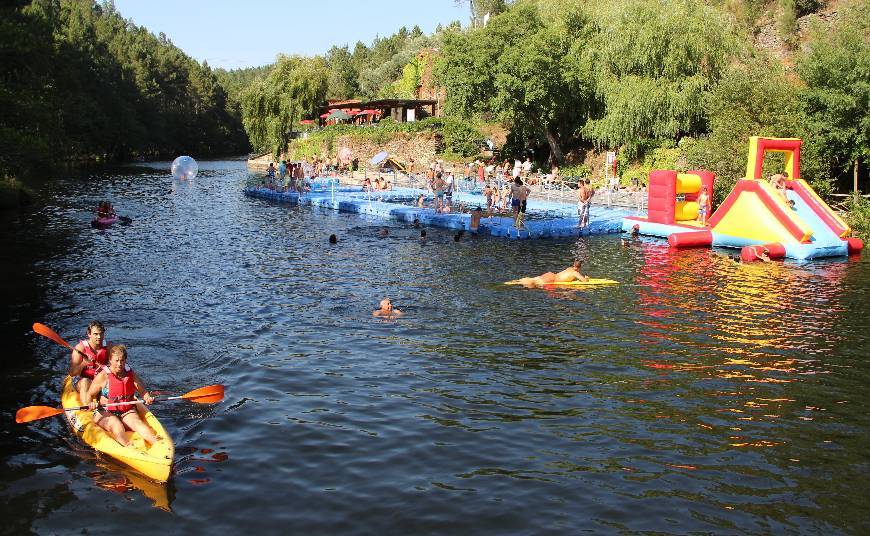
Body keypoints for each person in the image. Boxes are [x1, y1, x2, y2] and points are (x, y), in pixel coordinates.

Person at [86, 344, 160, 447]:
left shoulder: (130, 373)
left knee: (139, 424)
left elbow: (143, 391)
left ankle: (157, 443)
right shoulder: (103, 376)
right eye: (116, 360)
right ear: (110, 360)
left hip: (126, 410)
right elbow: (89, 394)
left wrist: (147, 397)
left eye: (122, 360)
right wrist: (91, 403)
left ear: (125, 360)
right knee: (117, 426)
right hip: (106, 411)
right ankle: (128, 447)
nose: (119, 364)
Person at [70, 321, 109, 404]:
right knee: (85, 381)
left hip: (99, 379)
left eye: (101, 334)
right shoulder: (80, 348)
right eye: (95, 334)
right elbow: (72, 373)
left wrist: (106, 369)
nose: (99, 337)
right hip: (83, 379)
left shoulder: (109, 347)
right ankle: (87, 407)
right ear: (89, 334)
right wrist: (84, 363)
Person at [513, 259, 589, 287]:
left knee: (534, 279)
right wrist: (586, 278)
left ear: (573, 265)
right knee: (534, 283)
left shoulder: (569, 268)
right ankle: (517, 283)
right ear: (579, 268)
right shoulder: (575, 273)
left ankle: (517, 281)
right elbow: (584, 281)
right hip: (552, 279)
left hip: (551, 274)